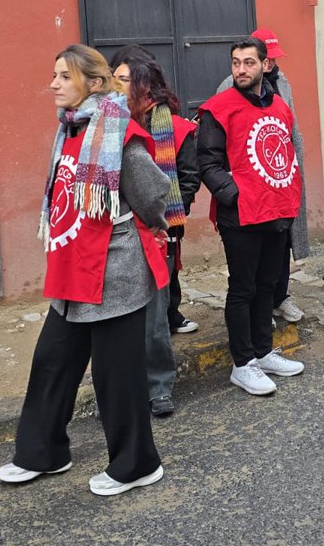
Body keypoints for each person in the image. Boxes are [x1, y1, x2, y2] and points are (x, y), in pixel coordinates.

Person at [0, 45, 170, 497]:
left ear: (94, 84)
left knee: (118, 375)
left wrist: (144, 224)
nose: (53, 83)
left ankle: (137, 464)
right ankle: (44, 453)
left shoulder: (119, 133)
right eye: (53, 74)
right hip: (73, 266)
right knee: (52, 362)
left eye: (63, 76)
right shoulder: (70, 130)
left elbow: (154, 192)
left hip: (114, 272)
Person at [199, 37, 306, 396]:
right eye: (235, 63)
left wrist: (288, 196)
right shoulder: (218, 109)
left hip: (276, 210)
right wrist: (234, 195)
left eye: (248, 62)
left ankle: (263, 351)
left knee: (268, 284)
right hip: (241, 216)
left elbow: (287, 152)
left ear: (265, 65)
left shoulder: (278, 105)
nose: (241, 69)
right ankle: (242, 363)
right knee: (243, 289)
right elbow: (207, 163)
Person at [109, 49, 200, 418]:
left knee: (154, 317)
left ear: (146, 85)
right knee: (115, 322)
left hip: (154, 234)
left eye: (124, 79)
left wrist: (166, 218)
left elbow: (189, 180)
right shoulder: (105, 125)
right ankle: (119, 388)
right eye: (113, 78)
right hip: (113, 236)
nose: (116, 86)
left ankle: (159, 386)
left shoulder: (176, 129)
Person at [216, 28, 308, 324]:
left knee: (281, 249)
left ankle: (279, 297)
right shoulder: (228, 88)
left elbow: (291, 129)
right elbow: (217, 147)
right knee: (250, 261)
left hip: (281, 182)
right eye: (238, 62)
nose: (268, 65)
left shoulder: (282, 84)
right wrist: (233, 189)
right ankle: (259, 309)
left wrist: (294, 173)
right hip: (250, 191)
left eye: (266, 61)